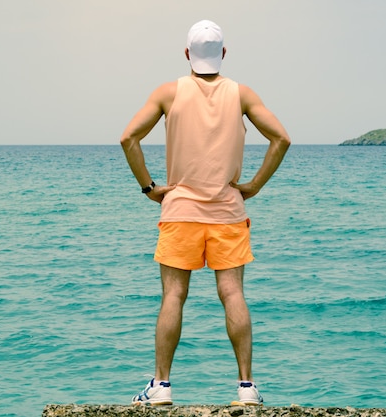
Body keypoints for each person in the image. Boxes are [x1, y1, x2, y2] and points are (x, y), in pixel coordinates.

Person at [120, 20, 291, 406]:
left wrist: (150, 188)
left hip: (179, 210)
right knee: (232, 293)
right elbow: (282, 138)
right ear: (224, 54)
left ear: (186, 54)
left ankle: (161, 387)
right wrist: (254, 185)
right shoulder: (241, 94)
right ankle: (246, 389)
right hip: (228, 212)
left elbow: (128, 137)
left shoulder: (168, 92)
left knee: (173, 296)